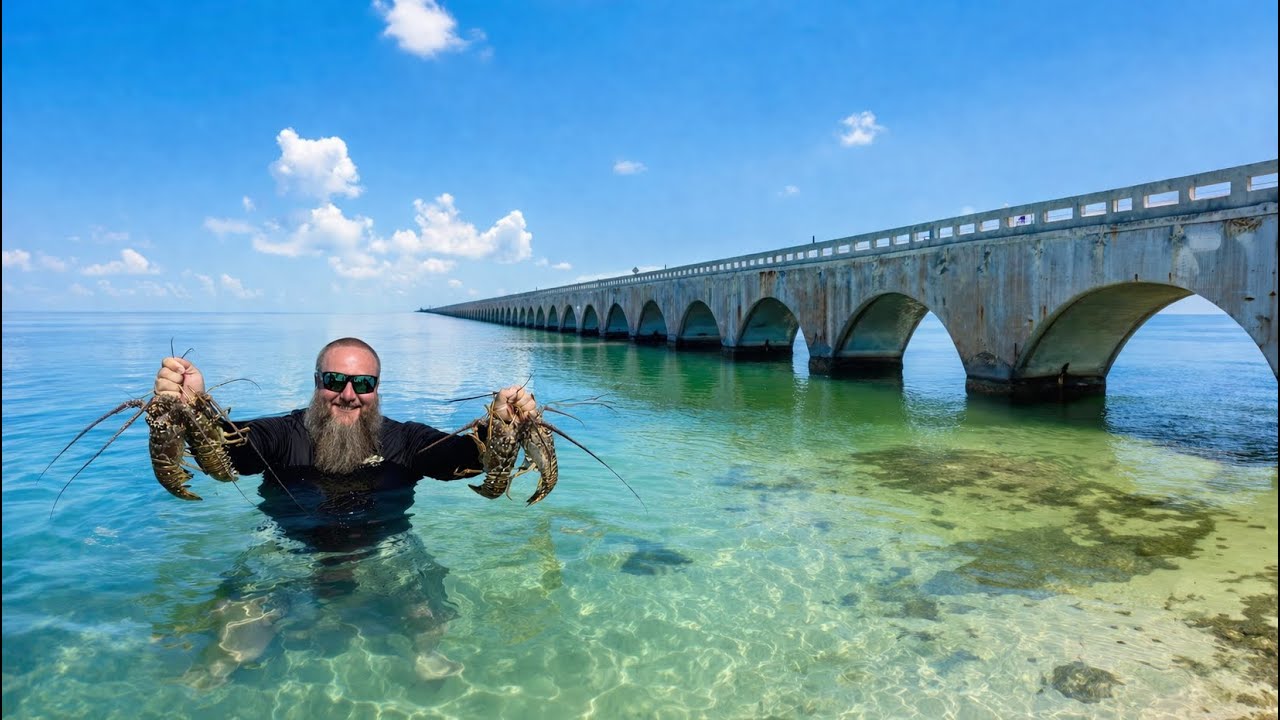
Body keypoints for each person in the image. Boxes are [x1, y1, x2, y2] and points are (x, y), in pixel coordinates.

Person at [151, 336, 538, 686]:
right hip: (287, 547)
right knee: (242, 639)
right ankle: (216, 666)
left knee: (425, 615)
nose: (348, 394)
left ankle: (425, 653)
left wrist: (500, 425)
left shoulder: (404, 440)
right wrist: (195, 409)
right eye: (335, 381)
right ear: (317, 382)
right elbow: (230, 450)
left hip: (384, 545)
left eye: (363, 384)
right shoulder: (283, 434)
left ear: (376, 390)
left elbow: (462, 459)